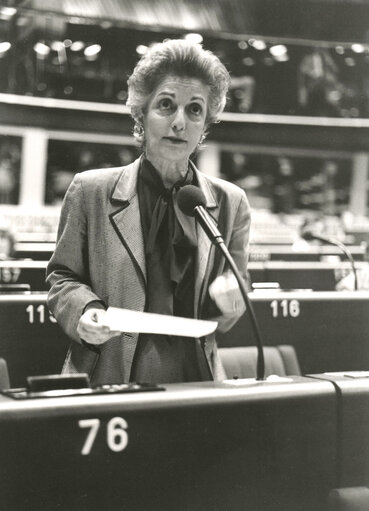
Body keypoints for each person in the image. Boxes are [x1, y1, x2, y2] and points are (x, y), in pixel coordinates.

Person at [46, 39, 251, 385]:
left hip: (196, 377)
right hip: (108, 371)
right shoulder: (90, 190)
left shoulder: (232, 202)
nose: (179, 122)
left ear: (206, 124)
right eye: (166, 105)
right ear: (142, 113)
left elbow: (236, 289)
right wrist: (85, 310)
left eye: (194, 110)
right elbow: (62, 278)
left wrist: (234, 297)